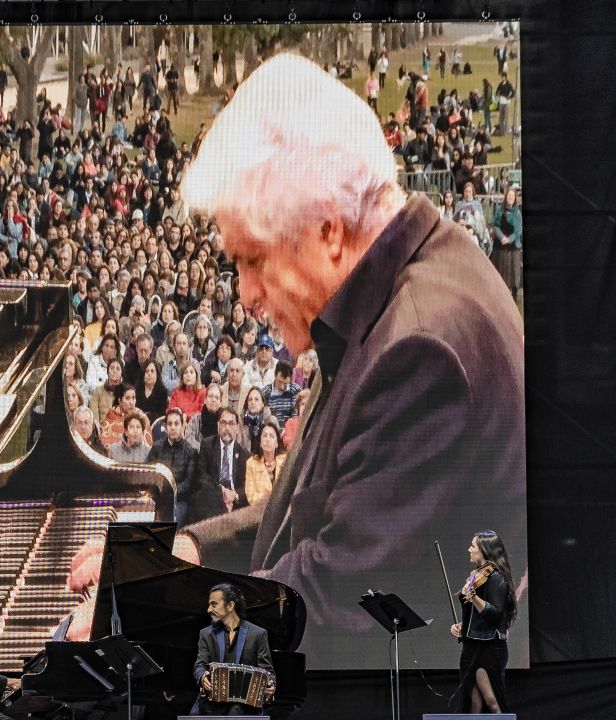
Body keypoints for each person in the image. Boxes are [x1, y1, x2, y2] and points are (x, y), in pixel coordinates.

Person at [177, 54, 525, 651]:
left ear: (328, 230)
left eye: (253, 259)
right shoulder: (387, 292)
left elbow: (338, 603)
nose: (245, 293)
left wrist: (160, 612)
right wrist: (191, 550)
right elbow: (324, 509)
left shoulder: (419, 353)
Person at [450, 531, 518, 714]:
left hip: (490, 648)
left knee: (492, 702)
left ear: (485, 551)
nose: (469, 549)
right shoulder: (475, 575)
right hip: (471, 646)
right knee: (473, 705)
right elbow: (474, 613)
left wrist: (474, 598)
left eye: (473, 546)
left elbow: (495, 615)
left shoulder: (496, 577)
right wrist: (463, 625)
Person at [192, 583, 275, 716]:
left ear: (230, 606)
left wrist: (270, 685)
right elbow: (199, 665)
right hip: (212, 704)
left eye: (214, 604)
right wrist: (202, 676)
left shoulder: (258, 634)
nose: (208, 609)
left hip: (245, 705)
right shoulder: (206, 634)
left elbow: (267, 671)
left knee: (236, 712)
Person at [188, 407, 249, 525]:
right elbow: (201, 475)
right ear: (218, 425)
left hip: (234, 501)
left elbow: (247, 485)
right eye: (223, 423)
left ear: (237, 428)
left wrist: (234, 495)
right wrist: (221, 490)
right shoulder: (207, 445)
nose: (227, 428)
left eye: (231, 424)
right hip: (212, 497)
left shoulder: (244, 454)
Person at [148, 408, 197, 525]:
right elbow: (150, 476)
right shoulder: (156, 448)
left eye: (176, 423)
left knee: (170, 525)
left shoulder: (191, 451)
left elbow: (188, 484)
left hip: (179, 501)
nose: (173, 427)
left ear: (183, 426)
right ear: (165, 427)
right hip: (158, 498)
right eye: (169, 424)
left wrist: (170, 493)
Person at [489, 187, 523, 299]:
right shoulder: (499, 210)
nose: (510, 198)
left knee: (513, 271)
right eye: (509, 196)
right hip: (500, 243)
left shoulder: (517, 212)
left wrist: (509, 239)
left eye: (512, 197)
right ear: (506, 197)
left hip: (513, 245)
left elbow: (518, 231)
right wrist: (502, 237)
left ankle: (513, 295)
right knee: (500, 270)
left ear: (515, 199)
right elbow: (495, 225)